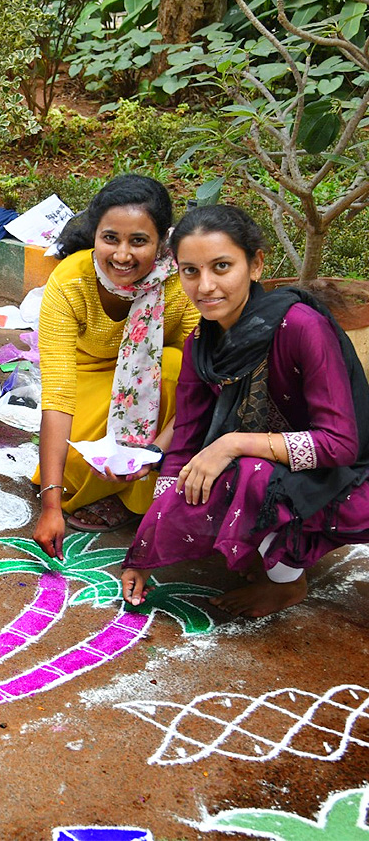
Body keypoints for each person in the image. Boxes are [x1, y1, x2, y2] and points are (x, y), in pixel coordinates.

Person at [122, 205, 369, 618]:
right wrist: (142, 551)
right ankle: (271, 543)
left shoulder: (301, 327)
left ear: (255, 265)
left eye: (222, 267)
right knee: (211, 466)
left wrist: (234, 443)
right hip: (283, 469)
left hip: (348, 480)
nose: (205, 286)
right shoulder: (203, 341)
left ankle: (287, 584)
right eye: (190, 271)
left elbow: (342, 445)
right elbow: (183, 447)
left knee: (247, 470)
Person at [33, 175, 200, 555]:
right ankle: (108, 480)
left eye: (138, 241)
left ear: (161, 243)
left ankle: (132, 496)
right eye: (111, 238)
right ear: (95, 235)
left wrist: (153, 452)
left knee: (175, 365)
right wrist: (50, 505)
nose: (122, 255)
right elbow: (58, 394)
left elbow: (203, 377)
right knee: (75, 461)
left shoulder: (182, 281)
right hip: (88, 384)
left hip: (161, 396)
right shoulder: (70, 281)